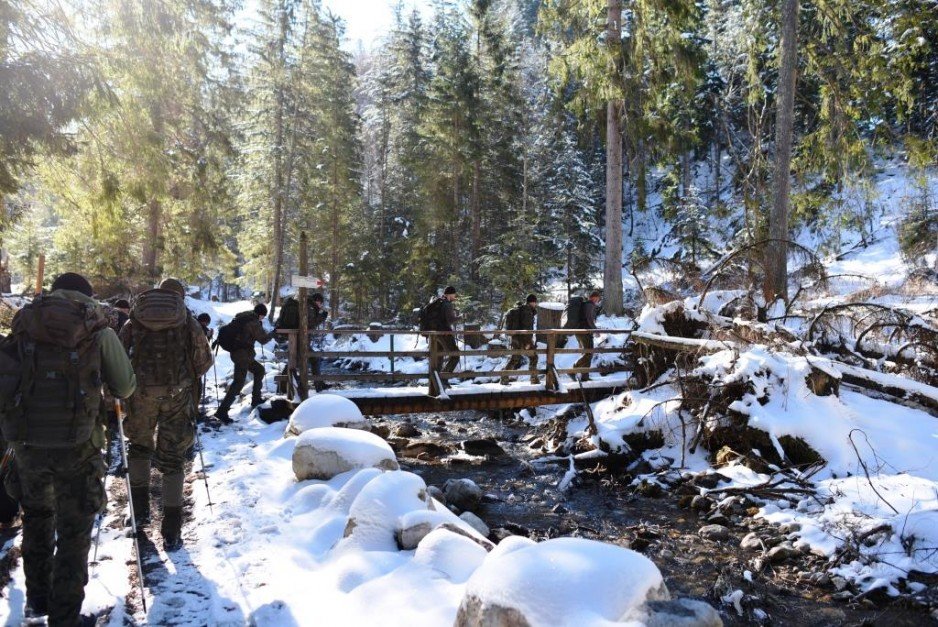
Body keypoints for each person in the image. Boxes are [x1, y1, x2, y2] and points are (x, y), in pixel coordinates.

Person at [1, 272, 136, 625]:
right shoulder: (99, 329)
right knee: (74, 531)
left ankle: (37, 601)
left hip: (28, 445)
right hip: (79, 447)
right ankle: (64, 617)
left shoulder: (25, 322)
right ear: (87, 297)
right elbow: (124, 386)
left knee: (37, 519)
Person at [118, 278, 212, 551]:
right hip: (177, 396)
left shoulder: (134, 319)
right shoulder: (188, 322)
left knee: (138, 448)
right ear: (180, 297)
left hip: (140, 395)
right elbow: (204, 361)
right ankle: (171, 531)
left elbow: (120, 355)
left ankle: (139, 514)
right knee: (173, 459)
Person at [214, 303, 274, 422]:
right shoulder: (253, 321)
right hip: (242, 355)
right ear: (261, 315)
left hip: (241, 354)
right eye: (263, 316)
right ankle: (222, 411)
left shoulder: (243, 318)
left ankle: (256, 400)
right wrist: (273, 333)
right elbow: (263, 339)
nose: (262, 319)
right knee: (238, 383)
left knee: (259, 370)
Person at [501, 294, 540, 385]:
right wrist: (528, 342)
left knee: (515, 358)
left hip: (515, 338)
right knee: (534, 357)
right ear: (532, 302)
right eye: (535, 302)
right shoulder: (527, 311)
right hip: (523, 339)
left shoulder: (521, 309)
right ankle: (534, 379)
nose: (536, 304)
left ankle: (504, 377)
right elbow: (526, 328)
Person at [572, 290, 601, 381]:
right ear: (594, 297)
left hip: (582, 332)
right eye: (597, 298)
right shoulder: (589, 305)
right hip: (584, 332)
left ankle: (585, 376)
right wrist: (596, 330)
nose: (598, 300)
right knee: (589, 353)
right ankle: (574, 369)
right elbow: (589, 320)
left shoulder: (586, 305)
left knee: (588, 353)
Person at [432, 286, 460, 374]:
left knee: (439, 356)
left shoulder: (439, 302)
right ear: (450, 294)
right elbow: (450, 320)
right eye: (454, 294)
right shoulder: (447, 304)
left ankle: (437, 381)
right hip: (445, 333)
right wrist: (461, 317)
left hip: (436, 334)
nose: (455, 296)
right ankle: (444, 378)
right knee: (455, 355)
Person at [308, 293, 329, 392]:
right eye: (320, 303)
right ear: (317, 301)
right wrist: (322, 316)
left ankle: (319, 384)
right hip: (301, 341)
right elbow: (312, 323)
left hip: (301, 340)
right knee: (314, 359)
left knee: (313, 359)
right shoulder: (310, 308)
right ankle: (319, 385)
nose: (320, 306)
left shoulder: (309, 307)